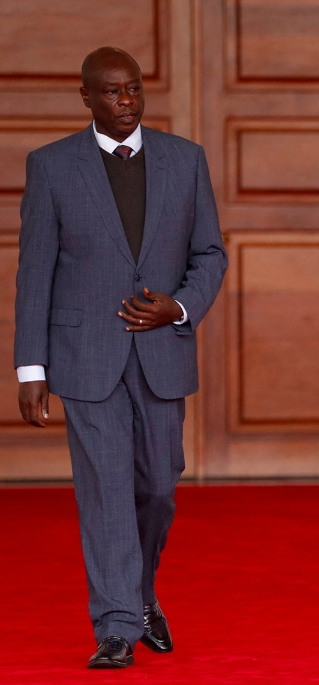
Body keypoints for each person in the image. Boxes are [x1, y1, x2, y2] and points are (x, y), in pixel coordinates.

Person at [13, 47, 227, 669]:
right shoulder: (52, 167)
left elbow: (211, 253)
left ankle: (137, 595)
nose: (126, 102)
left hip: (162, 351)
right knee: (105, 490)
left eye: (133, 89)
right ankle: (115, 626)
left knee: (158, 487)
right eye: (111, 93)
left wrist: (179, 307)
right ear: (86, 97)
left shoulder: (185, 161)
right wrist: (32, 367)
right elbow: (35, 271)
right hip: (84, 356)